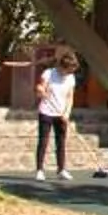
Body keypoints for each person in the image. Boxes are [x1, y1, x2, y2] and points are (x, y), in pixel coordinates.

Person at [35, 49, 76, 180]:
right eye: (68, 69)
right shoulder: (49, 73)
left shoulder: (71, 78)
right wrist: (41, 91)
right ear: (61, 66)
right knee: (43, 141)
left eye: (71, 70)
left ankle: (61, 169)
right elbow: (39, 89)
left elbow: (70, 97)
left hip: (61, 114)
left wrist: (67, 113)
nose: (70, 72)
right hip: (46, 111)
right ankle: (40, 170)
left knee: (61, 142)